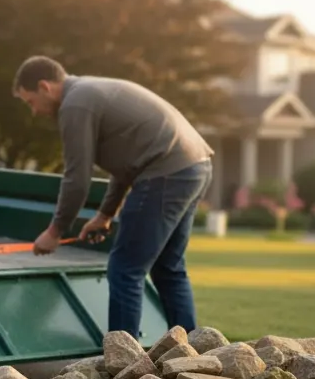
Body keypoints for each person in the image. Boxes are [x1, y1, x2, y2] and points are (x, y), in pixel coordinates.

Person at [11, 56, 213, 338]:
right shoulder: (90, 91)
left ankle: (121, 362)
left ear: (44, 87)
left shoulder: (75, 105)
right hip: (194, 165)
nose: (33, 111)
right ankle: (195, 352)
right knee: (168, 268)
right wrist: (105, 215)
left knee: (125, 269)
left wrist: (55, 230)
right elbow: (126, 166)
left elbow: (77, 177)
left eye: (30, 102)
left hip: (165, 173)